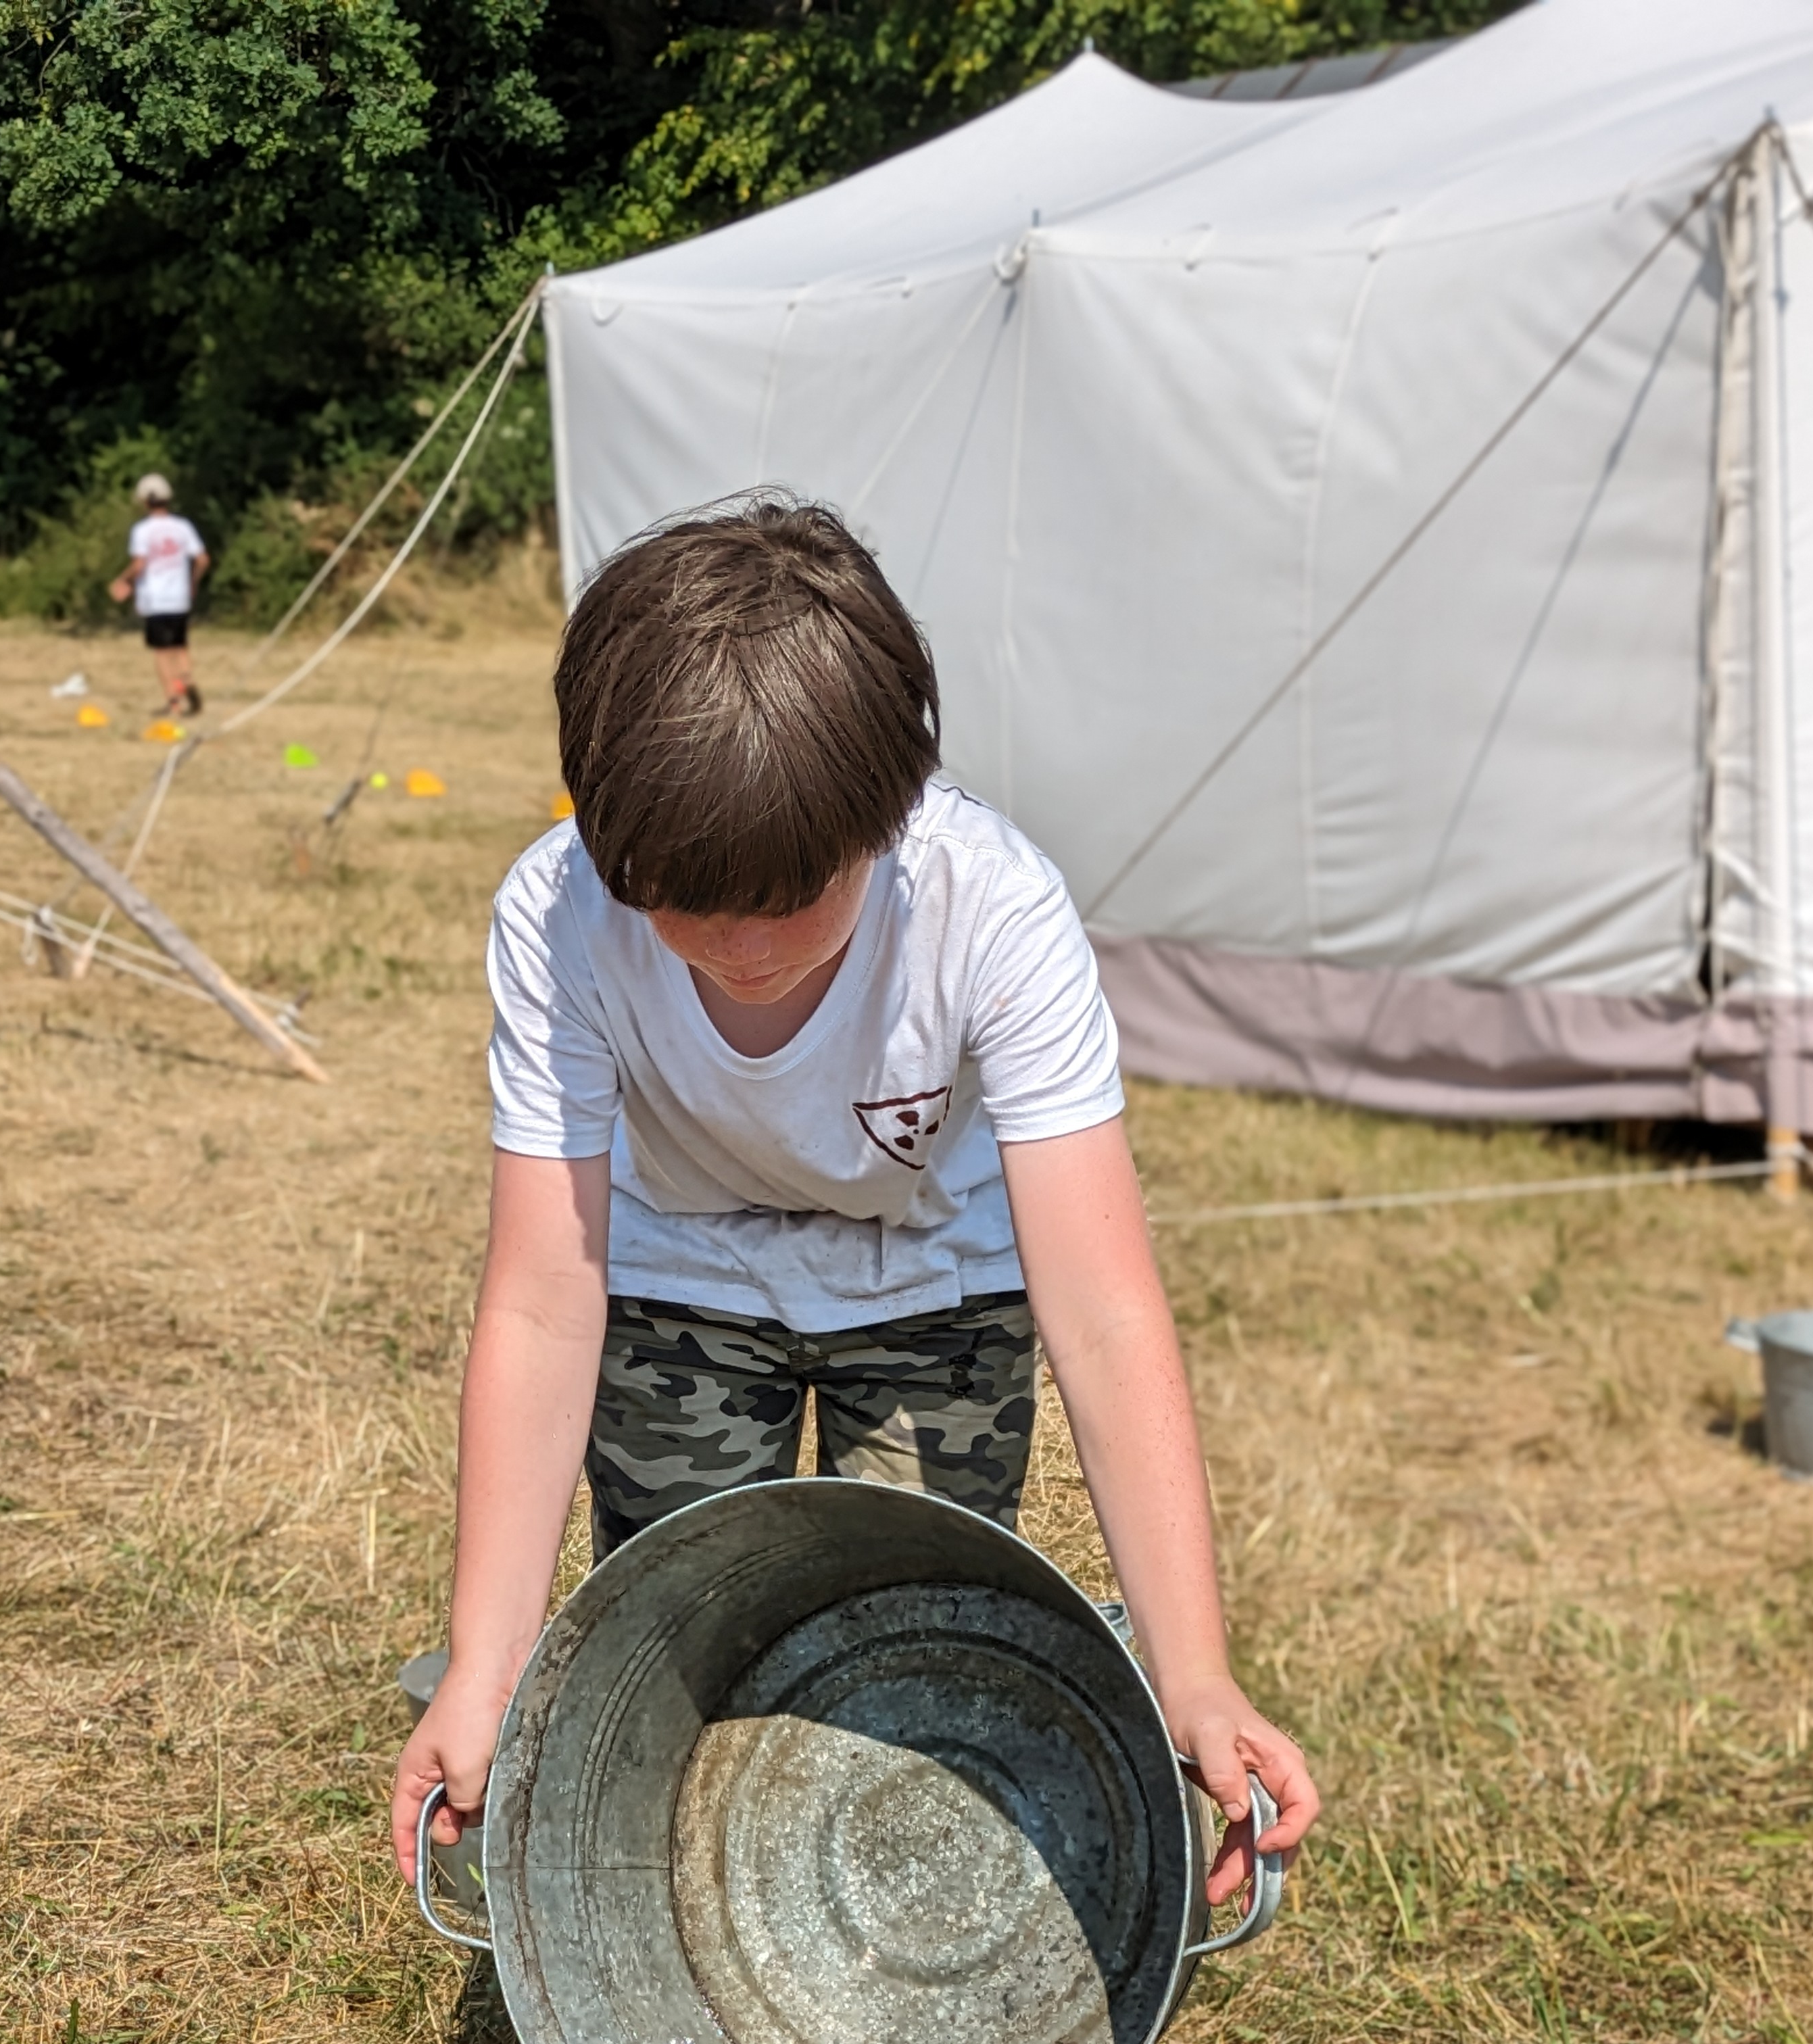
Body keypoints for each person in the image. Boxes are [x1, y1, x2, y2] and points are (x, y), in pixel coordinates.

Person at [391, 497, 1318, 1907]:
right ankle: (685, 1928)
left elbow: (1102, 1308)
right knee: (683, 1646)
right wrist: (485, 1659)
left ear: (887, 818)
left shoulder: (992, 907)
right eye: (678, 899)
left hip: (934, 1285)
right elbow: (540, 1298)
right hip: (679, 1277)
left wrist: (1192, 1672)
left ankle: (869, 1936)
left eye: (788, 897)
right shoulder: (558, 913)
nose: (741, 948)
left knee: (914, 1647)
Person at [110, 473, 210, 718]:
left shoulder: (142, 530)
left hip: (155, 599)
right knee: (180, 646)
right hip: (179, 597)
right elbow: (202, 559)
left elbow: (139, 564)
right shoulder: (183, 526)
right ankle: (187, 681)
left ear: (145, 501)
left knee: (162, 653)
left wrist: (123, 580)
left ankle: (174, 703)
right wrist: (192, 582)